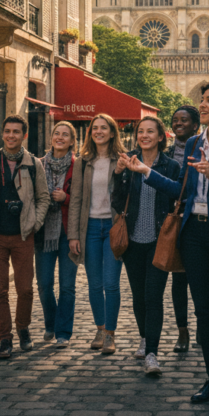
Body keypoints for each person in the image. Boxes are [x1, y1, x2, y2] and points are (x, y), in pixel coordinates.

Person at [125, 81, 209, 416]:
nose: (202, 104)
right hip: (194, 235)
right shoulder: (196, 142)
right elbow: (179, 191)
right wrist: (146, 172)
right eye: (202, 99)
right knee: (203, 313)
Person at [113, 116, 181, 376]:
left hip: (159, 239)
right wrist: (119, 174)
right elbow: (117, 201)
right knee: (139, 297)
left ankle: (152, 352)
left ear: (161, 136)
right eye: (141, 131)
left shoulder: (170, 165)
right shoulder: (127, 160)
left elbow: (177, 194)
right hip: (132, 240)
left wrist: (146, 172)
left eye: (150, 131)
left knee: (153, 297)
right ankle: (144, 337)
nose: (144, 135)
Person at [0, 114, 50, 359]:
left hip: (23, 236)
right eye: (7, 131)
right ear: (2, 134)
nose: (11, 135)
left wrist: (35, 222)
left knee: (25, 289)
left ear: (24, 135)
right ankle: (5, 339)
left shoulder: (34, 164)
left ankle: (23, 327)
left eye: (16, 132)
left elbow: (43, 197)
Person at [68, 113, 127, 354]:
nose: (99, 132)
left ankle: (111, 334)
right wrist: (73, 234)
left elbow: (125, 194)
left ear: (113, 133)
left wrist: (122, 172)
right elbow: (76, 200)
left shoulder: (122, 159)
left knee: (111, 284)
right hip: (89, 228)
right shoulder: (83, 161)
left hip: (113, 228)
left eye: (104, 128)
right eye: (95, 128)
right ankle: (100, 329)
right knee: (94, 284)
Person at [36, 122, 78, 349]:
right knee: (43, 284)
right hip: (43, 232)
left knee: (67, 286)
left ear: (72, 141)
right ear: (51, 138)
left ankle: (63, 332)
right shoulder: (38, 165)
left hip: (68, 232)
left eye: (65, 135)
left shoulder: (78, 166)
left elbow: (81, 200)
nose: (60, 137)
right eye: (56, 134)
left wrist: (66, 198)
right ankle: (50, 322)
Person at [166, 105, 200, 352]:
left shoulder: (205, 150)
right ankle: (182, 331)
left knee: (200, 280)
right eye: (175, 120)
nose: (179, 124)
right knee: (178, 281)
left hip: (197, 221)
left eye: (184, 120)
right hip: (173, 222)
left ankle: (202, 326)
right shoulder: (164, 153)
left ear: (195, 126)